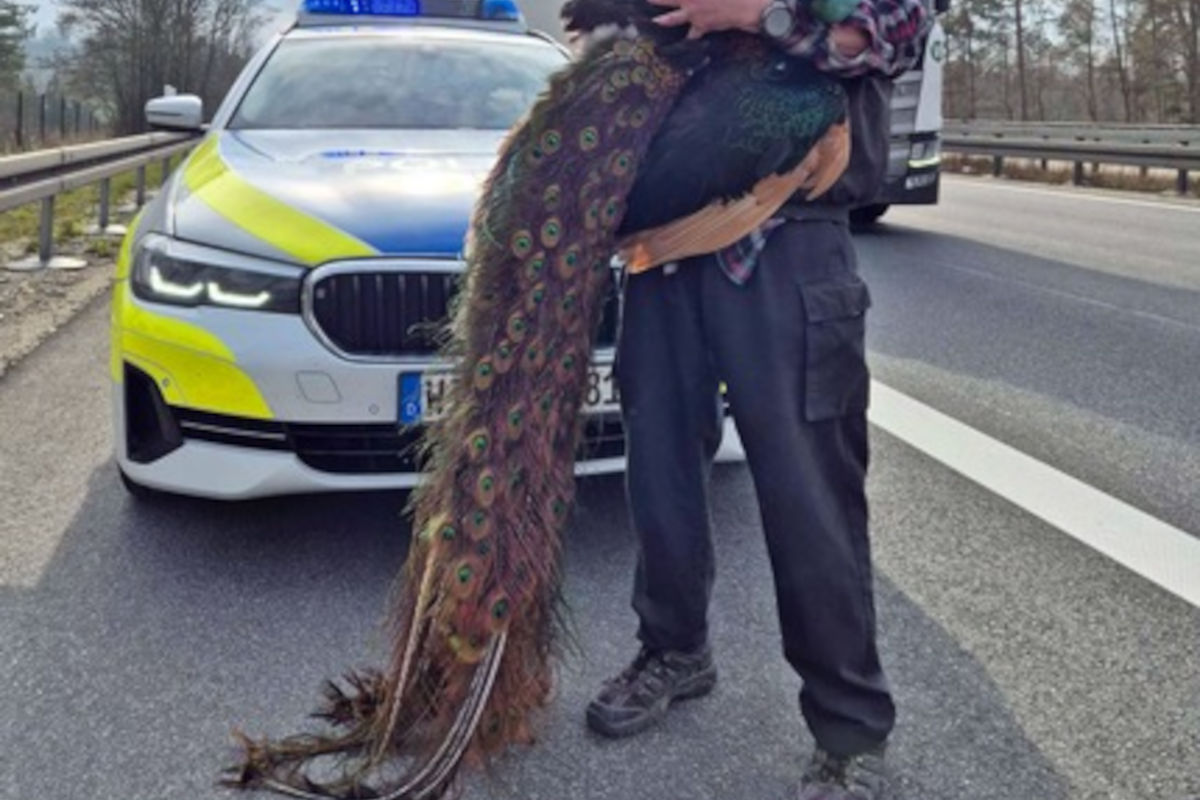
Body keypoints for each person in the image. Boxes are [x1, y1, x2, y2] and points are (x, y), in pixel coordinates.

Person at [587, 0, 932, 797]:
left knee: (808, 489)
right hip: (670, 248)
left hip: (792, 244)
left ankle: (849, 729)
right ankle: (674, 649)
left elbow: (889, 34)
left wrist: (755, 14)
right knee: (660, 464)